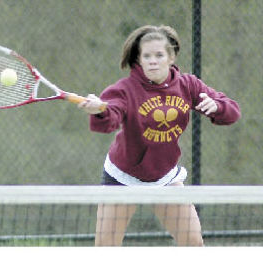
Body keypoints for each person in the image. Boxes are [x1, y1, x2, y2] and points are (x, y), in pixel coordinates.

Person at [78, 25, 241, 246]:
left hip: (165, 178)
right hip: (122, 178)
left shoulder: (188, 86)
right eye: (147, 56)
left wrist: (218, 106)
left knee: (194, 244)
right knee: (105, 250)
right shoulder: (125, 89)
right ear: (139, 60)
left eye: (159, 55)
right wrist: (100, 110)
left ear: (171, 57)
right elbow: (110, 117)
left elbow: (232, 111)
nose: (152, 60)